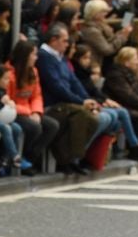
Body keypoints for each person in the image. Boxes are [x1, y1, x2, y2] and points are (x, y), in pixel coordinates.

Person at [35, 24, 102, 175]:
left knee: (94, 117)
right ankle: (68, 158)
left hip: (66, 102)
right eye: (65, 41)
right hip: (52, 104)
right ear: (54, 40)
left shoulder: (61, 59)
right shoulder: (44, 57)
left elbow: (74, 81)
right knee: (83, 116)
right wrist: (80, 102)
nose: (67, 44)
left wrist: (87, 99)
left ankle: (71, 158)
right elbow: (56, 86)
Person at [6, 40, 59, 171]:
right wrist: (28, 112)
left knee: (52, 125)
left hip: (29, 110)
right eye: (34, 54)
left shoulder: (33, 71)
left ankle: (30, 158)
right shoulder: (9, 74)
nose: (36, 57)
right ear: (25, 56)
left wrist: (36, 111)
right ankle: (20, 156)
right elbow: (8, 100)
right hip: (13, 111)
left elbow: (36, 95)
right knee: (34, 127)